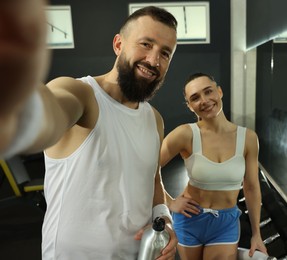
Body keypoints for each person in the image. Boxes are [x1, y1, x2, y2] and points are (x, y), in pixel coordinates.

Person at [0, 1, 179, 259]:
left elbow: (153, 178)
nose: (153, 60)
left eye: (165, 53)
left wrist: (164, 218)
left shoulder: (155, 120)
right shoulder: (81, 95)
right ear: (119, 44)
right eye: (146, 44)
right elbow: (49, 116)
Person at [160, 72, 268, 260]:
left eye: (208, 92)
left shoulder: (248, 138)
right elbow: (146, 169)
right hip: (190, 220)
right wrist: (169, 202)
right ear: (190, 106)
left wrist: (257, 234)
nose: (204, 100)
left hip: (225, 223)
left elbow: (251, 187)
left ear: (219, 92)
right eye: (195, 98)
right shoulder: (185, 134)